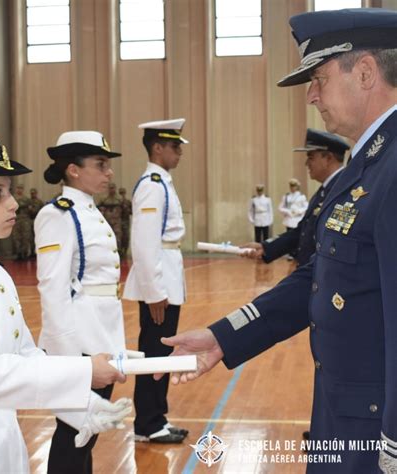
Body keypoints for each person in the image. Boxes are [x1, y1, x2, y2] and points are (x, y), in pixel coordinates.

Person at [159, 8, 397, 474]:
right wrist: (223, 337)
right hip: (343, 415)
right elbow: (322, 274)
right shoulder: (366, 166)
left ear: (365, 72)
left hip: (377, 434)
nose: (311, 96)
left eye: (319, 79)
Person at [0, 138, 131, 473]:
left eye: (9, 191)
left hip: (2, 437)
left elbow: (26, 356)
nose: (13, 204)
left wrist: (84, 406)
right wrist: (85, 370)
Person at [34, 131, 127, 474]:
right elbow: (53, 287)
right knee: (75, 431)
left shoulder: (88, 210)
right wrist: (69, 356)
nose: (109, 172)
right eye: (100, 165)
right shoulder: (58, 214)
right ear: (73, 170)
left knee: (87, 430)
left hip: (100, 330)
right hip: (80, 336)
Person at [123, 118, 189, 444]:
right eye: (175, 146)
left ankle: (155, 419)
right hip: (158, 282)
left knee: (160, 353)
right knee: (154, 354)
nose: (179, 152)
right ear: (158, 148)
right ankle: (148, 423)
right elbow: (145, 243)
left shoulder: (163, 181)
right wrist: (154, 291)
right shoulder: (152, 184)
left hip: (167, 276)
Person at [244, 129, 349, 266]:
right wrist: (266, 247)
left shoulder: (343, 191)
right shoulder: (325, 191)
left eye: (311, 157)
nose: (306, 164)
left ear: (328, 158)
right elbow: (301, 232)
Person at [98, 182, 124, 257]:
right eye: (110, 188)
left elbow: (124, 211)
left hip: (117, 222)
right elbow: (99, 208)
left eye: (113, 188)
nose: (111, 190)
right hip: (107, 221)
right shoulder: (104, 199)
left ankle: (118, 253)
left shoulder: (119, 199)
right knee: (107, 238)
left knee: (118, 238)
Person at [12, 184, 32, 260]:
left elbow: (30, 209)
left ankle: (24, 253)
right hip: (16, 220)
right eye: (18, 188)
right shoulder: (12, 198)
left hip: (25, 220)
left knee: (25, 237)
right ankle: (18, 253)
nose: (19, 190)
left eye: (21, 188)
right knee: (16, 237)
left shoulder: (26, 199)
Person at [28, 187, 44, 257]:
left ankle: (36, 252)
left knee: (37, 237)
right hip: (29, 221)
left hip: (37, 220)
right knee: (30, 238)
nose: (33, 194)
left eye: (34, 193)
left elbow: (42, 211)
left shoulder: (39, 202)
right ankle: (31, 252)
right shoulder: (28, 201)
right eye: (31, 193)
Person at [118, 186, 132, 259]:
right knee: (119, 238)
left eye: (123, 193)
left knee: (126, 238)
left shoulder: (128, 202)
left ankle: (125, 252)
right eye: (121, 193)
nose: (122, 194)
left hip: (126, 222)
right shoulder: (117, 201)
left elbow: (131, 211)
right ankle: (120, 253)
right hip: (118, 222)